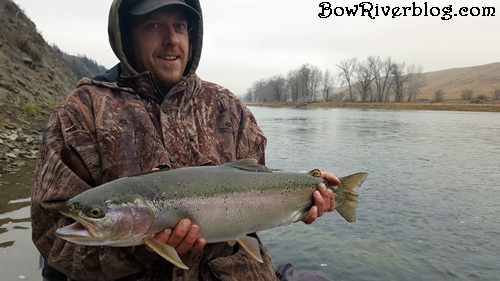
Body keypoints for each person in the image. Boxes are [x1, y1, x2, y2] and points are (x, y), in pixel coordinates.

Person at [31, 0, 339, 280]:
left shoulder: (226, 106)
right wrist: (140, 244)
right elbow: (52, 240)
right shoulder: (81, 112)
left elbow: (255, 183)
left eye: (179, 26)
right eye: (154, 25)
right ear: (127, 34)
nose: (172, 39)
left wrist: (305, 188)